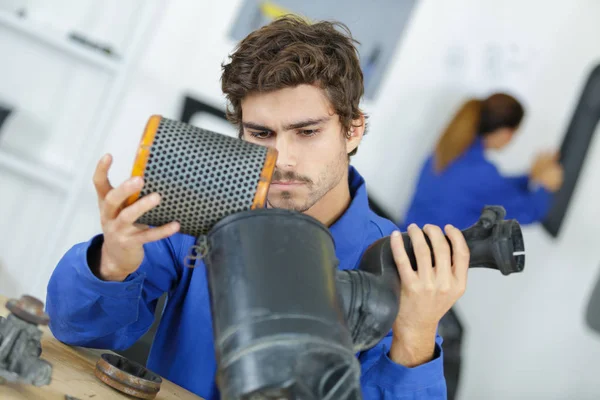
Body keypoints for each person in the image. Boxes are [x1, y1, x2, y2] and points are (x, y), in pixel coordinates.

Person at [45, 16, 470, 399]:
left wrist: (415, 335)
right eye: (261, 133)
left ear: (353, 130)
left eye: (307, 132)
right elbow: (76, 327)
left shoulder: (393, 264)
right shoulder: (204, 209)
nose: (282, 159)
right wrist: (112, 264)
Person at [401, 93, 564, 230]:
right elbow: (529, 212)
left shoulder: (446, 153)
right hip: (423, 262)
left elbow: (496, 188)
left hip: (403, 248)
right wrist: (546, 186)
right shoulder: (481, 173)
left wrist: (529, 176)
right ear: (507, 132)